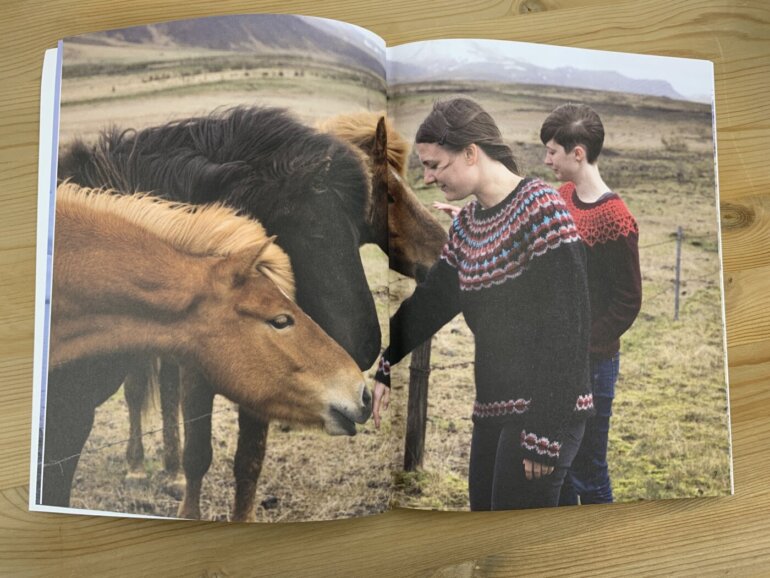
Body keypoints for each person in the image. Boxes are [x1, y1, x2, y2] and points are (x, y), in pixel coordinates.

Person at [372, 96, 594, 511]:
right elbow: (433, 301)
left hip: (546, 411)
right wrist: (387, 362)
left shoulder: (542, 211)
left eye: (435, 165)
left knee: (512, 548)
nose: (426, 178)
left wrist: (545, 432)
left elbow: (570, 329)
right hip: (494, 407)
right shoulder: (469, 226)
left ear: (471, 153)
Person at [540, 103, 642, 505]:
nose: (546, 159)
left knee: (588, 469)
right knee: (560, 465)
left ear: (577, 153)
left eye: (552, 151)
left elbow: (628, 299)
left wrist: (583, 343)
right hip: (557, 357)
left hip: (594, 363)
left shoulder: (616, 218)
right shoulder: (562, 195)